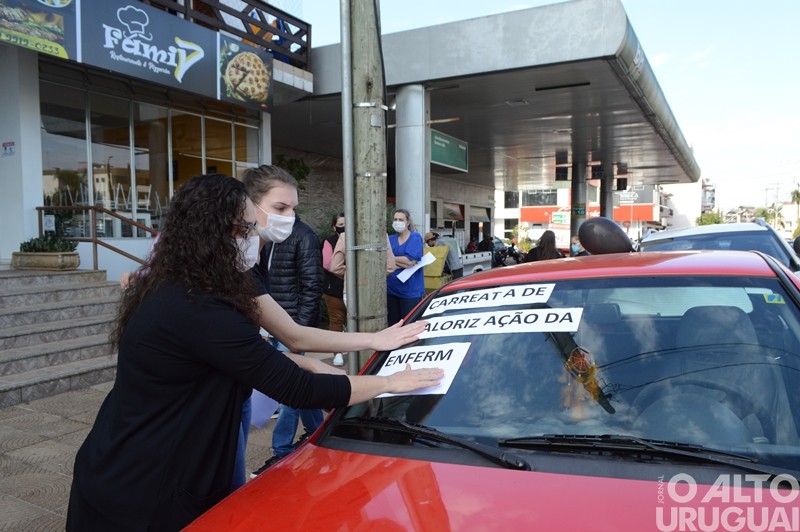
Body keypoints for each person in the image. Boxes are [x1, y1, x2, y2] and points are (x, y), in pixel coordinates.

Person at [66, 173, 443, 531]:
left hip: (140, 464)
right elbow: (297, 388)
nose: (254, 236)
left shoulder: (190, 286)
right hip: (142, 490)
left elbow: (247, 356)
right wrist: (390, 383)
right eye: (246, 228)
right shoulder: (196, 306)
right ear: (213, 233)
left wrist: (328, 363)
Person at [252, 203, 325, 475]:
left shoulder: (303, 236)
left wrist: (297, 332)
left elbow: (312, 286)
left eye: (287, 207)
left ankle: (281, 450)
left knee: (288, 390)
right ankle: (319, 431)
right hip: (271, 324)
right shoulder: (267, 238)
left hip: (291, 327)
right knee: (297, 385)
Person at [387, 209, 425, 325]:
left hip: (410, 292)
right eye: (395, 219)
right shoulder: (390, 239)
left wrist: (391, 260)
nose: (397, 222)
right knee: (393, 325)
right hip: (391, 290)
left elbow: (409, 262)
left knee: (409, 324)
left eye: (401, 220)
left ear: (408, 222)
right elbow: (383, 260)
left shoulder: (415, 237)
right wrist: (401, 261)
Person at [322, 213, 346, 366]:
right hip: (334, 289)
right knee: (336, 321)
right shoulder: (329, 241)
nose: (344, 228)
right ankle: (337, 353)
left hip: (356, 290)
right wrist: (350, 275)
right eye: (341, 225)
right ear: (334, 227)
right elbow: (328, 264)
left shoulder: (357, 239)